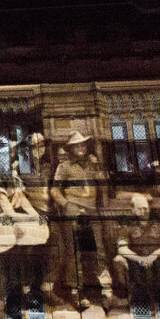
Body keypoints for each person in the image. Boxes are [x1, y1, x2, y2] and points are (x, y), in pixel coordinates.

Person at [51, 130, 109, 308]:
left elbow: (103, 185)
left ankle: (106, 291)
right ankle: (78, 292)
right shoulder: (65, 166)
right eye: (77, 145)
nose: (81, 147)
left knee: (99, 249)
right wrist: (67, 205)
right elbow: (55, 190)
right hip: (73, 209)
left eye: (83, 144)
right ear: (71, 148)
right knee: (74, 250)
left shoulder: (92, 164)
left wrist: (98, 167)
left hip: (92, 210)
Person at [112, 193, 160, 305]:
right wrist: (139, 259)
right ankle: (125, 292)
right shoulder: (127, 226)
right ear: (133, 210)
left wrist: (154, 255)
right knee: (118, 260)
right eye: (140, 209)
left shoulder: (159, 224)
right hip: (136, 265)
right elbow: (122, 248)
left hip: (158, 264)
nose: (144, 212)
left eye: (146, 208)